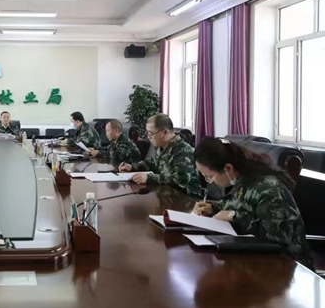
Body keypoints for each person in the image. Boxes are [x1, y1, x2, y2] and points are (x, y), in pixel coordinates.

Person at [192, 137, 313, 269]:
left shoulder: (268, 190)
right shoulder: (243, 180)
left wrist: (234, 216)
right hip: (256, 257)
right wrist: (213, 208)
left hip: (286, 266)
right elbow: (236, 204)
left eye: (209, 176)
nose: (210, 181)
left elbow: (277, 238)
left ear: (228, 168)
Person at [119, 114, 202, 198]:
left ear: (165, 132)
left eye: (150, 133)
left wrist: (149, 178)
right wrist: (133, 167)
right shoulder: (163, 147)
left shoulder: (183, 150)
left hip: (187, 199)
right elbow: (153, 163)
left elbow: (180, 180)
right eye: (147, 133)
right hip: (167, 195)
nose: (148, 137)